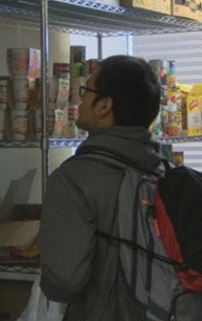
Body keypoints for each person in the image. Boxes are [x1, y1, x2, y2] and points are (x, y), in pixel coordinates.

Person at [39, 55, 163, 320]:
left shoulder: (73, 179)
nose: (80, 99)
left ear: (105, 105)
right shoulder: (167, 173)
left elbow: (63, 282)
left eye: (86, 90)